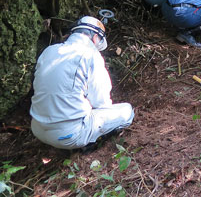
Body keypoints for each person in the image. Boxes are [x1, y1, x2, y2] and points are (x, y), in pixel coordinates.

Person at [30, 17, 134, 150]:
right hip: (68, 135)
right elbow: (101, 102)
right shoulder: (91, 55)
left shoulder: (49, 51)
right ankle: (91, 144)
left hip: (37, 129)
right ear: (95, 38)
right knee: (127, 111)